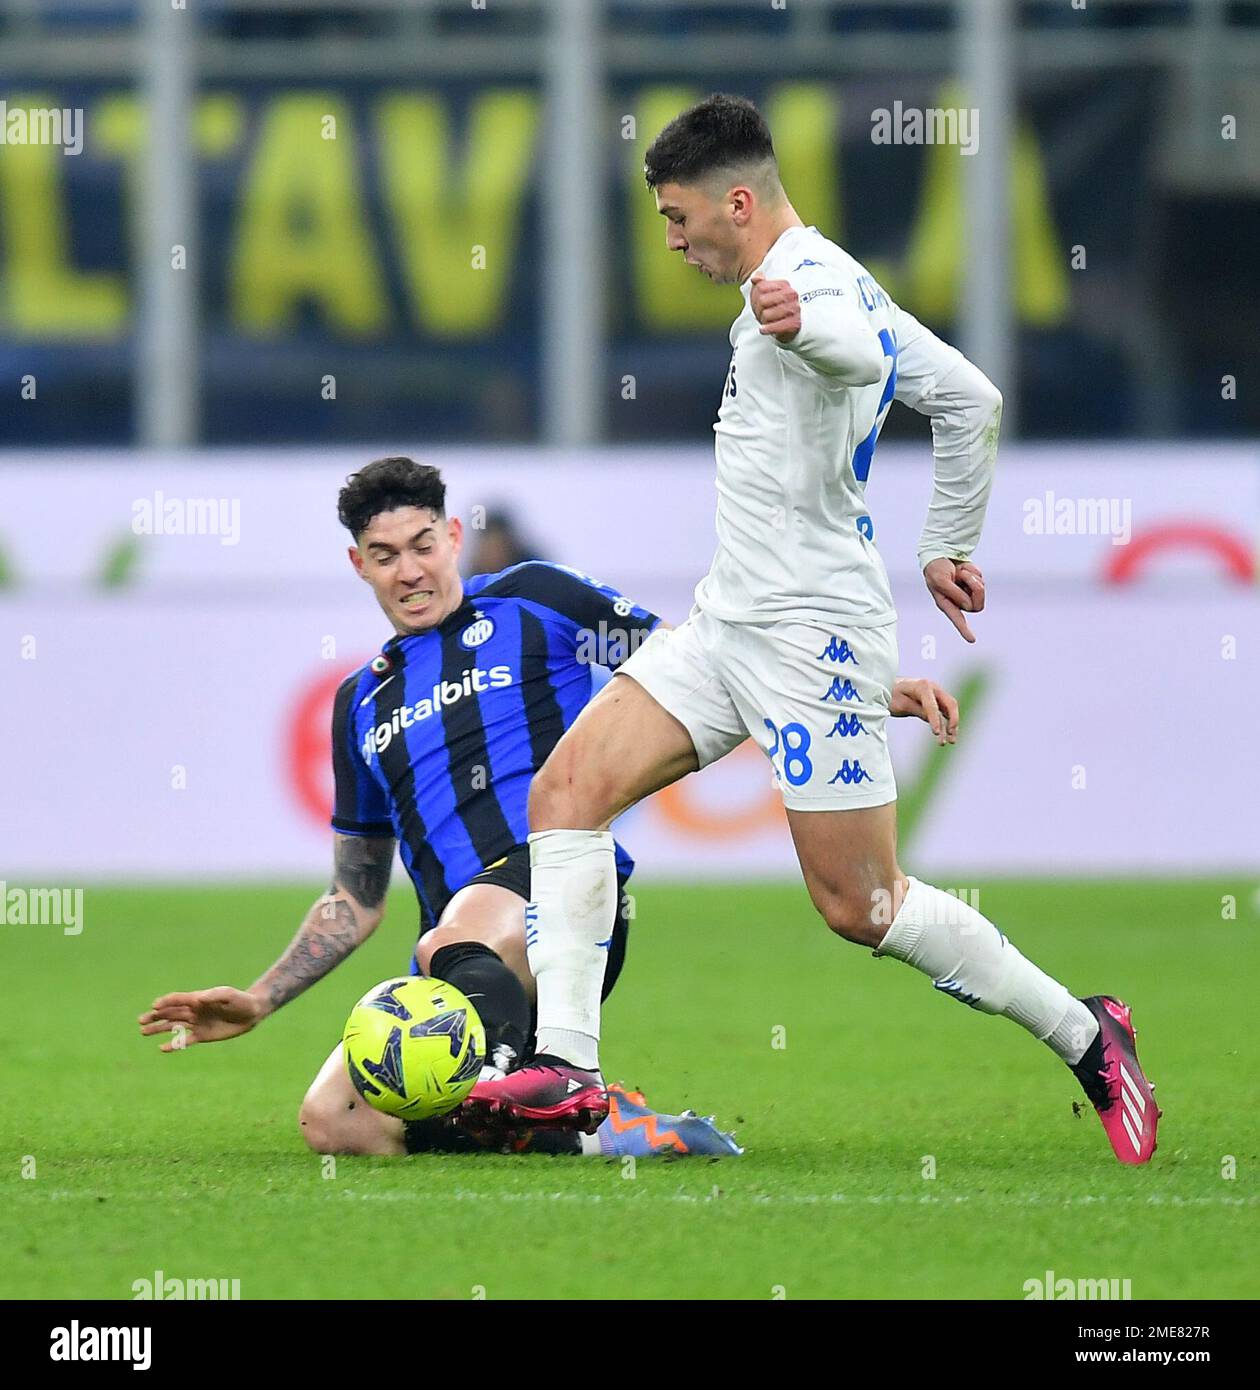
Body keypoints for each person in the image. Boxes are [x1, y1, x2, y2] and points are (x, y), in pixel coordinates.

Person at [468, 95, 1160, 1166]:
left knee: (863, 905)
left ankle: (1086, 1032)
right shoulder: (817, 279)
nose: (671, 238)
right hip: (725, 624)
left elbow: (851, 353)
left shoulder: (814, 291)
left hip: (811, 638)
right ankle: (567, 1070)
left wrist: (811, 330)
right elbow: (971, 399)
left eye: (678, 215)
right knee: (566, 794)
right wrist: (946, 541)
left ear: (737, 202)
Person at [139, 455, 961, 1159]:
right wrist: (258, 998)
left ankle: (512, 1082)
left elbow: (701, 664)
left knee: (453, 934)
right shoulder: (360, 702)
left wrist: (862, 694)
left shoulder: (534, 599)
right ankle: (605, 1130)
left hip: (564, 893)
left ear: (453, 536)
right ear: (359, 565)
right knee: (335, 1124)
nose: (411, 570)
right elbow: (354, 897)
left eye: (424, 544)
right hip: (461, 965)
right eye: (385, 555)